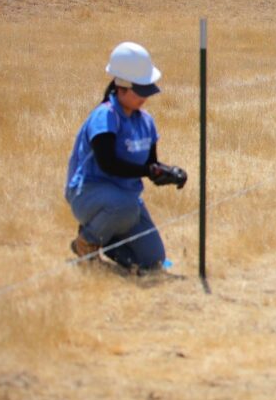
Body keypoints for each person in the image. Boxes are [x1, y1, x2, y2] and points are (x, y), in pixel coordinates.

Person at [65, 42, 187, 272]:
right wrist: (148, 172)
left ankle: (108, 241)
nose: (146, 96)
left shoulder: (146, 121)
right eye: (141, 90)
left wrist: (168, 173)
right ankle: (87, 241)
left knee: (154, 260)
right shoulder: (105, 117)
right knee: (126, 207)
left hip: (125, 200)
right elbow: (108, 164)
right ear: (121, 86)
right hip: (89, 194)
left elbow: (150, 166)